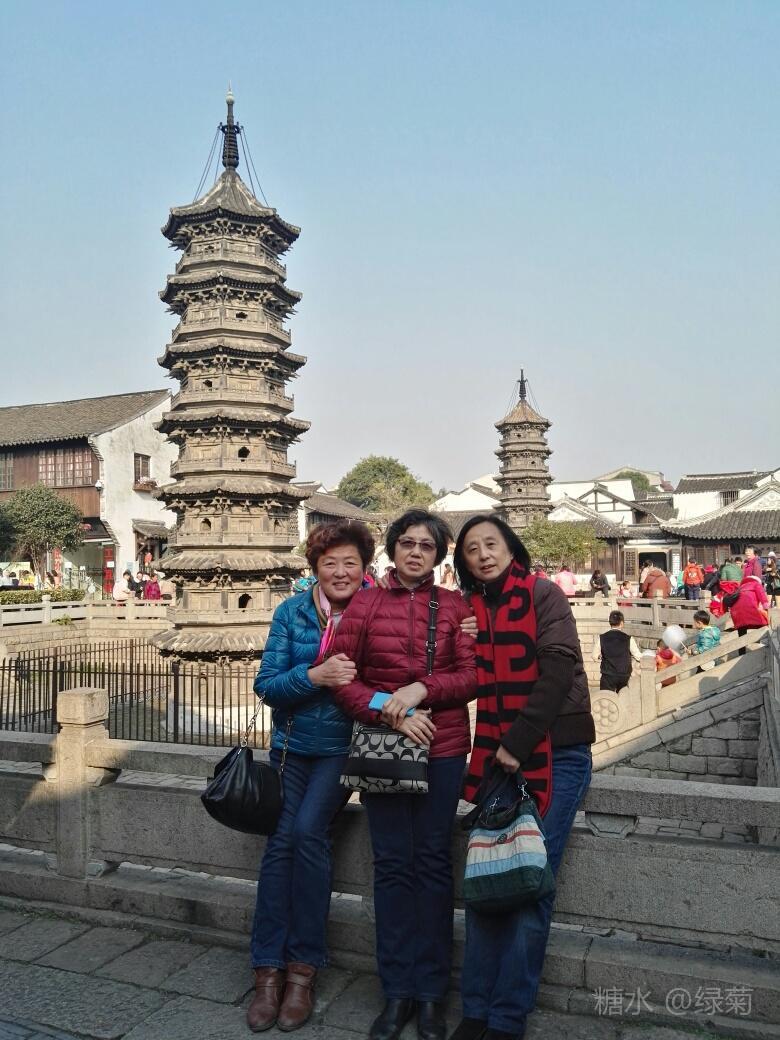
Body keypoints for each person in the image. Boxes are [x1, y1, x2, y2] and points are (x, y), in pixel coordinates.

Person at [331, 510, 477, 1040]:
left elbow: (471, 676)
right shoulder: (365, 604)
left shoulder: (454, 606)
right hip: (385, 748)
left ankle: (432, 994)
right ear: (392, 549)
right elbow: (343, 680)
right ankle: (397, 991)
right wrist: (388, 710)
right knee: (392, 865)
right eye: (407, 543)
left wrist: (422, 691)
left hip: (442, 748)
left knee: (434, 864)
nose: (416, 552)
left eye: (426, 545)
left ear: (439, 555)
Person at [451, 514, 594, 1040]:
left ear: (512, 549)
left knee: (530, 881)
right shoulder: (470, 610)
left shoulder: (543, 595)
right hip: (497, 758)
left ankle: (507, 1017)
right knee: (488, 877)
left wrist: (519, 741)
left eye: (492, 544)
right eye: (471, 550)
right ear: (464, 563)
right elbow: (456, 673)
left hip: (556, 752)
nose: (483, 554)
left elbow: (558, 668)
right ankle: (475, 1008)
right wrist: (462, 636)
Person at [248, 520, 376, 1033]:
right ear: (315, 569)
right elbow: (267, 685)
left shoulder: (377, 612)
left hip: (342, 752)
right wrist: (314, 676)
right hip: (290, 750)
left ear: (364, 568)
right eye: (330, 563)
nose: (341, 572)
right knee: (280, 844)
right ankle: (267, 971)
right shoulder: (291, 612)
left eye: (350, 563)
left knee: (306, 833)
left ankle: (302, 970)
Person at [591, 610, 641, 692]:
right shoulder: (628, 639)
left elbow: (594, 656)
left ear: (610, 623)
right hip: (624, 675)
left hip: (608, 674)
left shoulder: (602, 638)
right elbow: (638, 656)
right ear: (621, 623)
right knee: (623, 697)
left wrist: (601, 657)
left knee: (606, 697)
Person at [729, 574, 769, 655]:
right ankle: (761, 645)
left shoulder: (739, 588)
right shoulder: (756, 584)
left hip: (737, 613)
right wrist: (767, 609)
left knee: (741, 633)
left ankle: (741, 653)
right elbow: (762, 597)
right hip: (750, 609)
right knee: (764, 625)